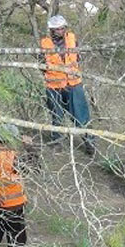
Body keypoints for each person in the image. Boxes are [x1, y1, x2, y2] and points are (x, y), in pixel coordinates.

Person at [39, 15, 94, 154]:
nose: (60, 31)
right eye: (57, 29)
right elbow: (41, 64)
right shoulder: (44, 43)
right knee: (56, 116)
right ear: (51, 30)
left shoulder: (72, 38)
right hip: (54, 86)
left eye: (62, 28)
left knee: (82, 115)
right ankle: (56, 142)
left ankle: (90, 143)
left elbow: (79, 57)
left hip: (74, 83)